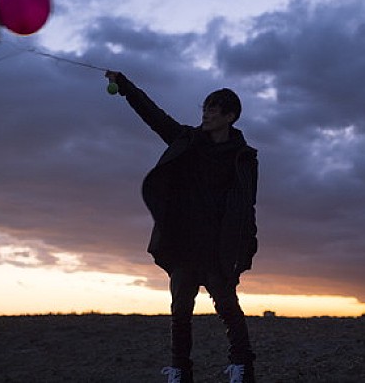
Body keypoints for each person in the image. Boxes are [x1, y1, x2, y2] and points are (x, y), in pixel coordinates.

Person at [105, 71, 259, 383]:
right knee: (180, 312)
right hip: (184, 243)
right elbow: (154, 116)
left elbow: (246, 207)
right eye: (204, 107)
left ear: (230, 116)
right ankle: (180, 370)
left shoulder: (244, 157)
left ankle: (241, 367)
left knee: (228, 308)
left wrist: (246, 248)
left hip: (219, 245)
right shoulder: (188, 140)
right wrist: (126, 86)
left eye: (214, 109)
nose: (206, 113)